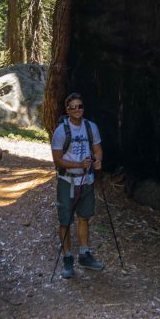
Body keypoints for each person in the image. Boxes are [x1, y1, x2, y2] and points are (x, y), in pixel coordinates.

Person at [51, 92, 105, 279]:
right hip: (67, 181)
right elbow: (57, 160)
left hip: (86, 180)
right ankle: (67, 258)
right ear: (67, 110)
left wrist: (97, 161)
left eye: (79, 106)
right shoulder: (60, 132)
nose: (76, 110)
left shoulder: (91, 128)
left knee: (84, 217)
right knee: (65, 220)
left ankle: (84, 254)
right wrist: (78, 165)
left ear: (83, 108)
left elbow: (97, 149)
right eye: (72, 107)